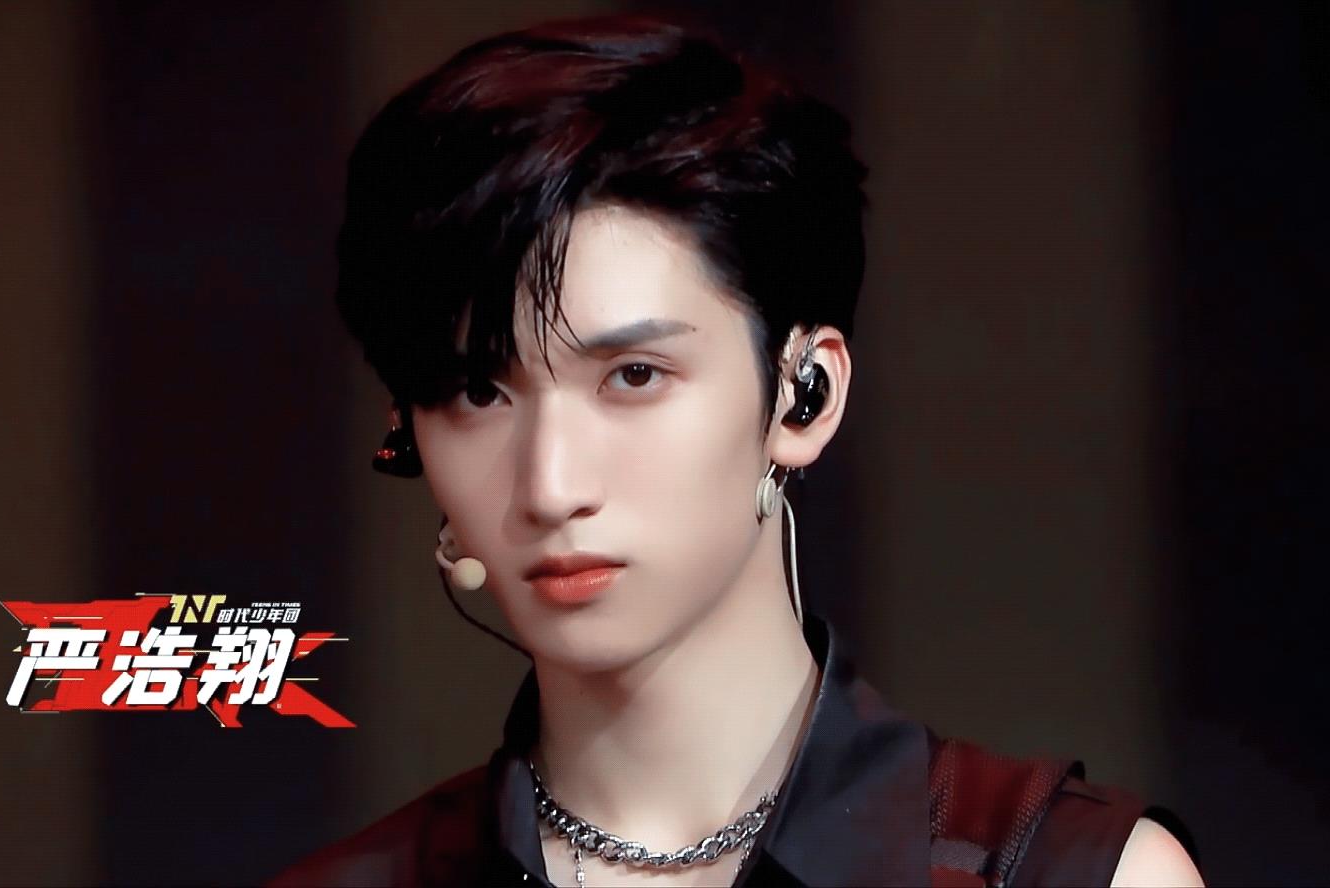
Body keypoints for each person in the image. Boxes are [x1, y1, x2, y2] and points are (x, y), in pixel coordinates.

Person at [271, 15, 1204, 887]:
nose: (550, 486)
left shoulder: (1071, 873)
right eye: (480, 392)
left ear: (804, 394)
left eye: (634, 375)